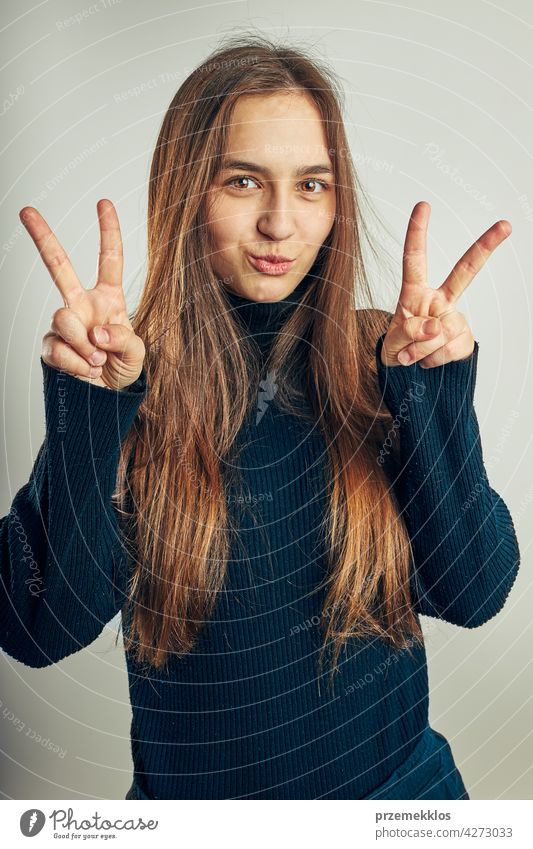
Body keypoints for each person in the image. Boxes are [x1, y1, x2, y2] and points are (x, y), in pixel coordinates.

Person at [0, 34, 520, 800]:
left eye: (311, 184)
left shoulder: (384, 362)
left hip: (401, 802)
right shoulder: (129, 383)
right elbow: (36, 628)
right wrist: (93, 406)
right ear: (187, 194)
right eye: (243, 181)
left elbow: (474, 592)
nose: (281, 222)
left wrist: (432, 390)